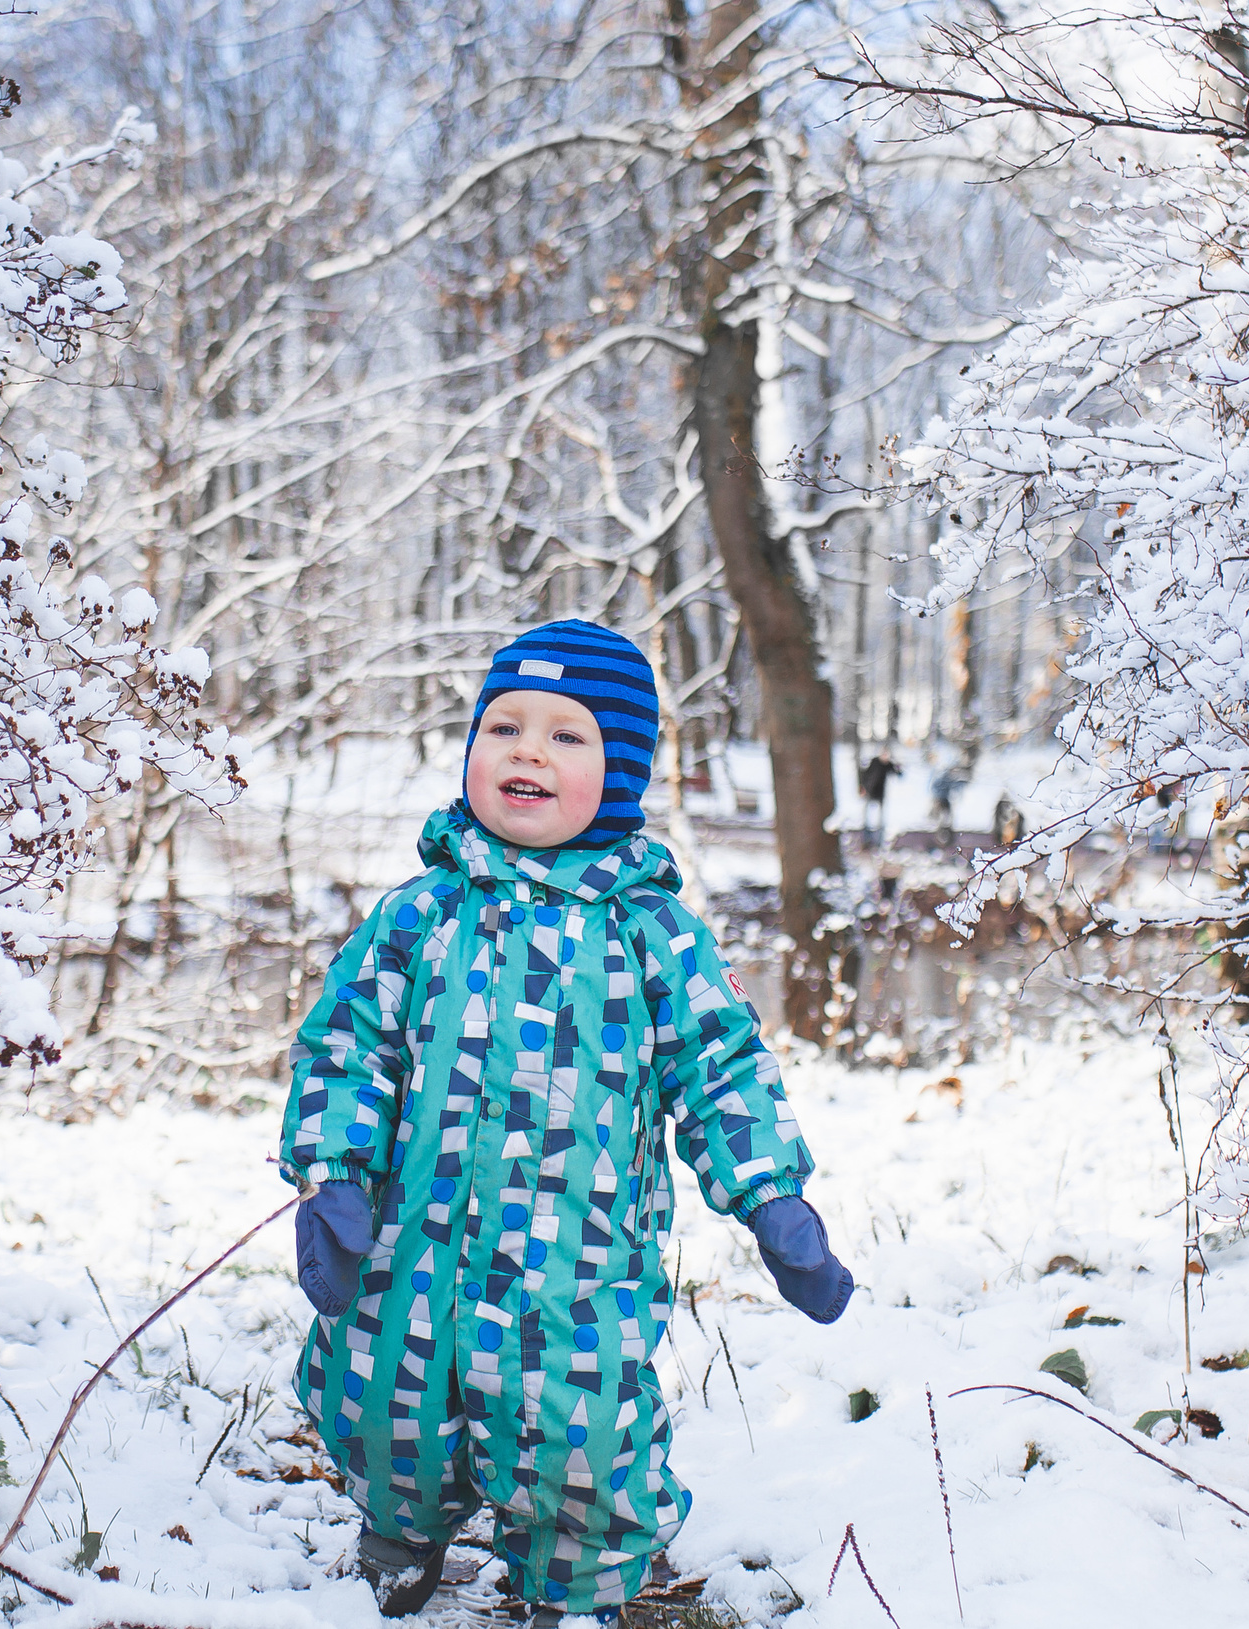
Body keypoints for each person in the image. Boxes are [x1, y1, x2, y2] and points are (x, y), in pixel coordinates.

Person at [278, 620, 854, 1625]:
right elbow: (348, 1043)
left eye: (566, 736)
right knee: (380, 1409)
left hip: (575, 1274)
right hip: (410, 1249)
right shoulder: (420, 914)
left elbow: (719, 1067)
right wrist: (332, 1170)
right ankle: (400, 1527)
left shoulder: (651, 933)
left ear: (620, 771)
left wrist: (772, 1197)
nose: (527, 751)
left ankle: (572, 1587)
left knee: (581, 1441)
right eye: (503, 727)